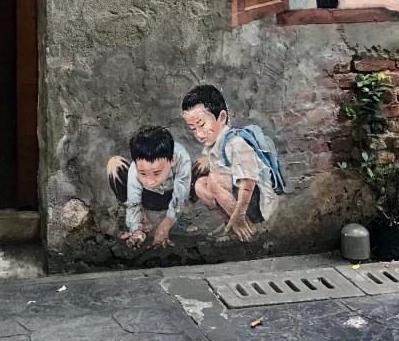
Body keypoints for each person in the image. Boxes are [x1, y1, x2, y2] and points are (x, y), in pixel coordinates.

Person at [181, 85, 277, 243]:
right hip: (236, 196)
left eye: (202, 124)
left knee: (213, 180)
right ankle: (230, 225)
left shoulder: (236, 143)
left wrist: (239, 214)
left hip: (255, 201)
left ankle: (245, 225)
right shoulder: (214, 146)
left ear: (222, 117)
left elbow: (248, 183)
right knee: (200, 184)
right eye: (193, 128)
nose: (198, 134)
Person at [106, 125, 194, 247]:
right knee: (115, 165)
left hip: (173, 194)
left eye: (156, 173)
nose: (150, 181)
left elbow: (181, 193)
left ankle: (178, 221)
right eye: (143, 173)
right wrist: (135, 229)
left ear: (172, 160)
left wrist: (168, 222)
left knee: (203, 165)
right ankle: (143, 218)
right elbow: (133, 202)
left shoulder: (182, 158)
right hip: (148, 198)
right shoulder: (135, 169)